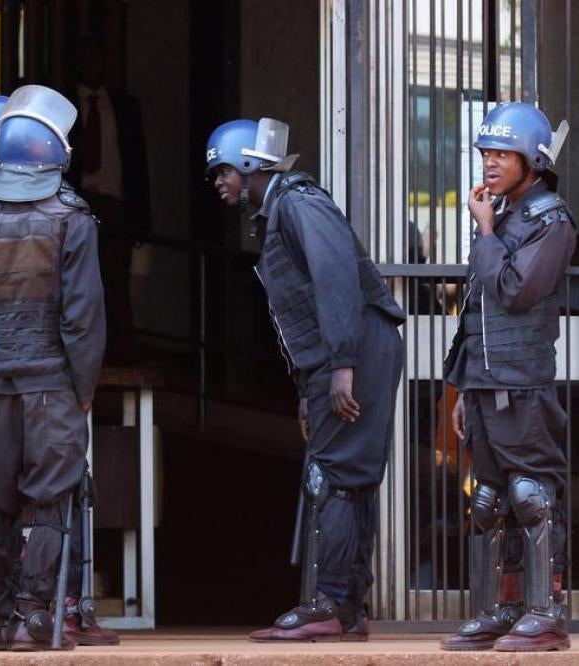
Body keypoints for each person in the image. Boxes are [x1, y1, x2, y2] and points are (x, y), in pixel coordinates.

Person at [204, 118, 405, 641]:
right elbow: (303, 308)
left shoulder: (298, 202)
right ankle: (350, 607)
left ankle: (330, 603)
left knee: (334, 475)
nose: (217, 181)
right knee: (350, 477)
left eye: (222, 169)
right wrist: (307, 385)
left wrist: (342, 364)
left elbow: (335, 276)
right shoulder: (280, 209)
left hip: (356, 347)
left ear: (249, 165)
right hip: (347, 350)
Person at [0, 84, 106, 651]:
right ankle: (38, 617)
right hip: (53, 383)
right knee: (53, 497)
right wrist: (84, 388)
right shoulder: (73, 218)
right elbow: (83, 317)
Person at [440, 103, 574, 653]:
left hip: (522, 381)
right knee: (489, 499)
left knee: (531, 494)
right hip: (486, 382)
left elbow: (516, 291)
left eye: (502, 154)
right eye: (486, 153)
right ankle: (504, 608)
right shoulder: (506, 217)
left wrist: (486, 230)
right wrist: (462, 386)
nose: (490, 163)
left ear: (533, 161)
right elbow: (476, 310)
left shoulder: (550, 220)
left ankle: (547, 613)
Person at [66, 36, 150, 364]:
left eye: (95, 59)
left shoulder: (125, 105)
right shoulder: (66, 105)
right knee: (79, 280)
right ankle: (83, 354)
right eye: (84, 59)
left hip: (115, 206)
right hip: (76, 205)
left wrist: (143, 217)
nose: (90, 65)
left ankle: (119, 353)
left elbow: (138, 164)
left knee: (116, 283)